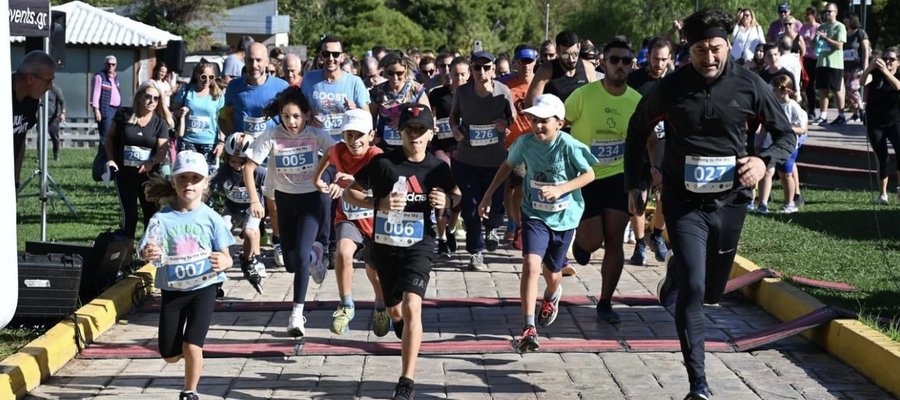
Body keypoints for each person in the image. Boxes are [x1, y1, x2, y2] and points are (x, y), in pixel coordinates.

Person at [624, 8, 795, 399]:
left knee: (713, 291)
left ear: (729, 46)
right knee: (695, 289)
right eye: (700, 50)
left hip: (731, 200)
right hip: (683, 200)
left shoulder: (750, 85)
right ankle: (698, 384)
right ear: (690, 49)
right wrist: (636, 180)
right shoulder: (670, 88)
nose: (709, 58)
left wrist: (762, 160)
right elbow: (637, 130)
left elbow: (785, 135)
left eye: (716, 48)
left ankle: (676, 275)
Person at [345, 103, 460, 400]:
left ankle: (405, 381)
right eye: (410, 130)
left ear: (431, 134)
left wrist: (445, 201)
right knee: (397, 310)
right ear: (400, 132)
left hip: (420, 243)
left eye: (421, 130)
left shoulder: (437, 167)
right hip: (386, 244)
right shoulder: (385, 164)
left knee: (412, 305)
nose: (415, 136)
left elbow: (457, 194)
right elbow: (351, 192)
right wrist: (379, 204)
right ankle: (391, 315)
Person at [477, 94, 597, 352]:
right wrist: (488, 194)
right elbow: (507, 166)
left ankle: (552, 295)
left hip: (565, 217)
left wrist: (562, 188)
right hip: (534, 214)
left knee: (552, 274)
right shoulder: (525, 143)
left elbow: (589, 174)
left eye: (544, 121)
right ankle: (528, 326)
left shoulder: (569, 146)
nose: (538, 125)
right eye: (534, 120)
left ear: (560, 123)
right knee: (531, 264)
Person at [139, 150, 234, 400]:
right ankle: (177, 352)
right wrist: (148, 252)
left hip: (205, 288)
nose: (189, 183)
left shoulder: (211, 218)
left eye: (195, 178)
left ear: (205, 183)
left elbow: (228, 257)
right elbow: (145, 250)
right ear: (174, 181)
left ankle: (189, 391)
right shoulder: (161, 219)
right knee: (170, 355)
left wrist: (223, 261)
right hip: (172, 290)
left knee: (193, 344)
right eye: (183, 178)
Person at [243, 86, 336, 336]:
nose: (291, 122)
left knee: (303, 253)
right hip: (284, 201)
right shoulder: (272, 135)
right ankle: (316, 257)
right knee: (292, 264)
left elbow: (337, 152)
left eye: (296, 116)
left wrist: (326, 175)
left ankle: (296, 315)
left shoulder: (317, 134)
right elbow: (248, 167)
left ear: (306, 115)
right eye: (286, 116)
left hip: (311, 201)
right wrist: (255, 200)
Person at [565, 39, 641, 322]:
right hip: (585, 176)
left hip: (619, 177)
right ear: (603, 63)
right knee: (593, 239)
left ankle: (605, 301)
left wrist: (653, 170)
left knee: (614, 239)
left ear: (631, 65)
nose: (620, 65)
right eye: (614, 60)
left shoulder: (636, 100)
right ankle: (583, 246)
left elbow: (650, 140)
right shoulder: (583, 95)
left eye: (625, 61)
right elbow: (558, 123)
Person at [312, 109, 389, 337]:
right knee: (343, 253)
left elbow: (383, 186)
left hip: (374, 219)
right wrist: (319, 181)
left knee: (374, 271)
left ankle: (381, 305)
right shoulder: (337, 150)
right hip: (348, 218)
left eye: (359, 135)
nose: (354, 141)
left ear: (371, 135)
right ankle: (346, 304)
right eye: (349, 136)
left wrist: (352, 182)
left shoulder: (377, 154)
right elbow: (325, 161)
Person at [222, 42, 290, 267]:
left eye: (259, 60)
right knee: (252, 202)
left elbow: (289, 118)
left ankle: (279, 241)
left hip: (273, 154)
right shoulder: (234, 87)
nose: (254, 64)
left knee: (274, 203)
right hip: (245, 157)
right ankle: (253, 251)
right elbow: (227, 115)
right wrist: (233, 139)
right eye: (250, 60)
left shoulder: (281, 87)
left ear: (267, 63)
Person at [449, 51, 515, 271]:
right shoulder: (462, 92)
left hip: (495, 161)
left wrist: (504, 124)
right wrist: (456, 130)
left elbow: (512, 119)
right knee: (471, 206)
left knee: (496, 203)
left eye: (486, 68)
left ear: (493, 70)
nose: (481, 72)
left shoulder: (503, 92)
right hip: (467, 159)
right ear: (472, 70)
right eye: (477, 68)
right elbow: (452, 117)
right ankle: (475, 251)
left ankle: (492, 228)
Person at [104, 81, 173, 237]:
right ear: (139, 97)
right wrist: (110, 159)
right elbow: (109, 139)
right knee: (130, 216)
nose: (151, 102)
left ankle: (147, 253)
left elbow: (162, 150)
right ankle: (125, 254)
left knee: (151, 214)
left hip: (149, 177)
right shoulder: (123, 115)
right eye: (148, 97)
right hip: (124, 174)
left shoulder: (159, 123)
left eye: (156, 98)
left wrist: (152, 162)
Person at [626, 37, 673, 264]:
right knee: (639, 196)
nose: (659, 63)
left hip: (666, 146)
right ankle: (640, 243)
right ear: (649, 56)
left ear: (669, 59)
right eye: (655, 58)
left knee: (666, 195)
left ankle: (657, 234)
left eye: (664, 59)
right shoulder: (635, 80)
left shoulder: (675, 82)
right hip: (639, 145)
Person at [210, 132, 268, 294]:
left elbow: (273, 188)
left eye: (242, 162)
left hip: (252, 209)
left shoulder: (259, 172)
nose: (236, 166)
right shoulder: (224, 171)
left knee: (250, 232)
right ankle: (219, 272)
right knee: (220, 232)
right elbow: (209, 185)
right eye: (232, 161)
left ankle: (248, 260)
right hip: (232, 208)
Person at [427, 56, 469, 260]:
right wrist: (431, 125)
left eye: (463, 74)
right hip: (441, 148)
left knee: (458, 195)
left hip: (463, 150)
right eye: (455, 74)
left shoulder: (472, 95)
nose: (459, 78)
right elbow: (429, 116)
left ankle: (451, 229)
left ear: (468, 75)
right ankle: (442, 238)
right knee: (441, 190)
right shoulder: (437, 94)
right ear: (449, 74)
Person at [498, 45, 539, 250]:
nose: (526, 65)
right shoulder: (506, 85)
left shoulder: (540, 84)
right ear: (515, 62)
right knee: (513, 186)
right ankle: (515, 224)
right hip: (512, 144)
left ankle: (520, 225)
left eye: (530, 61)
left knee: (523, 187)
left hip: (536, 144)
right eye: (522, 61)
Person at [861, 47, 900, 204]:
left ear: (898, 61)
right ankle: (883, 194)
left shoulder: (895, 74)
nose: (888, 61)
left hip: (895, 121)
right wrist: (870, 67)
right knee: (882, 158)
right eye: (886, 58)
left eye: (891, 59)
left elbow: (897, 86)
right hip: (875, 123)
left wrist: (886, 71)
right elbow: (862, 82)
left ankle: (899, 188)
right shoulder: (876, 74)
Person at [12, 50, 56, 189]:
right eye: (48, 81)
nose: (50, 87)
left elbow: (20, 141)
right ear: (30, 79)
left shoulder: (31, 102)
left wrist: (15, 183)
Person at [370, 52, 431, 152]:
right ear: (385, 71)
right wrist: (371, 137)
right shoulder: (377, 92)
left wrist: (404, 120)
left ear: (405, 69)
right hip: (384, 147)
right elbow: (370, 119)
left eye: (399, 73)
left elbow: (427, 117)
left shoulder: (416, 90)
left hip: (411, 145)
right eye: (390, 73)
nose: (395, 78)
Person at [173, 61, 226, 174]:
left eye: (211, 77)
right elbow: (174, 111)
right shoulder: (186, 90)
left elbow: (222, 120)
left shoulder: (218, 95)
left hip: (209, 142)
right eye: (203, 77)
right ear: (197, 75)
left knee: (206, 178)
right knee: (189, 175)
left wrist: (221, 143)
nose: (207, 80)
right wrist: (181, 112)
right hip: (188, 141)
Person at [526, 31, 598, 107]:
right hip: (555, 117)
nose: (571, 59)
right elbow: (530, 104)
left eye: (575, 54)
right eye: (565, 55)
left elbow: (596, 100)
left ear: (579, 47)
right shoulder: (546, 71)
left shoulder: (588, 68)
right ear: (557, 51)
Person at [812, 3, 847, 125]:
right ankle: (823, 115)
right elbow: (814, 46)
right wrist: (815, 38)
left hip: (835, 63)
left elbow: (839, 46)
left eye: (829, 11)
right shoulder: (822, 26)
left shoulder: (840, 27)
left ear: (836, 12)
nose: (827, 14)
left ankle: (841, 115)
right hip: (822, 62)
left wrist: (826, 38)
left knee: (836, 90)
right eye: (825, 12)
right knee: (822, 90)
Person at [91, 55, 122, 181]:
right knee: (105, 140)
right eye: (108, 64)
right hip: (106, 110)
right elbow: (95, 94)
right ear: (105, 64)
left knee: (114, 139)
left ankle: (109, 167)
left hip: (115, 110)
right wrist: (96, 109)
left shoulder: (115, 78)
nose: (111, 66)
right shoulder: (99, 77)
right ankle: (99, 170)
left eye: (113, 64)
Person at [842, 14, 870, 122]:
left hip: (857, 65)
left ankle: (861, 108)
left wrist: (866, 66)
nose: (845, 20)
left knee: (852, 86)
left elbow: (865, 49)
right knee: (847, 89)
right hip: (846, 65)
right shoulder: (845, 33)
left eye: (847, 18)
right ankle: (855, 113)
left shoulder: (860, 32)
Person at [800, 7, 820, 119]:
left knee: (814, 85)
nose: (807, 16)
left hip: (815, 59)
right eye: (806, 14)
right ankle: (808, 109)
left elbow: (819, 45)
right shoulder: (803, 28)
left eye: (809, 14)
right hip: (805, 58)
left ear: (814, 15)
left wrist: (810, 41)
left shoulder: (818, 27)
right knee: (807, 85)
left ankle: (816, 110)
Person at [47, 82, 66, 161]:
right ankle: (40, 156)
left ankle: (56, 154)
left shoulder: (55, 89)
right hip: (42, 117)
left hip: (53, 118)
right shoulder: (40, 89)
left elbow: (63, 102)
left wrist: (63, 113)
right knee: (40, 138)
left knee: (55, 138)